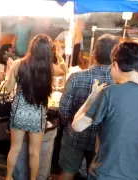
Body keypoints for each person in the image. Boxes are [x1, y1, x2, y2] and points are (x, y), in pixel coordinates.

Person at [72, 42, 138, 180]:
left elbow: (77, 126)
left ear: (115, 65)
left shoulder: (110, 93)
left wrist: (92, 97)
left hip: (105, 175)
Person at [58, 34, 119, 180]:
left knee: (67, 172)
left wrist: (69, 125)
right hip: (102, 141)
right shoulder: (118, 84)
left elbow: (63, 110)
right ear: (115, 59)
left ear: (93, 54)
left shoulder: (76, 77)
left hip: (74, 136)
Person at [4, 34, 54, 180]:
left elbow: (8, 89)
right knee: (34, 152)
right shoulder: (49, 68)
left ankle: (8, 177)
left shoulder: (18, 64)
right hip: (38, 114)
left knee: (15, 148)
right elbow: (63, 70)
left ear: (31, 47)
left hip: (19, 111)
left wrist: (9, 70)